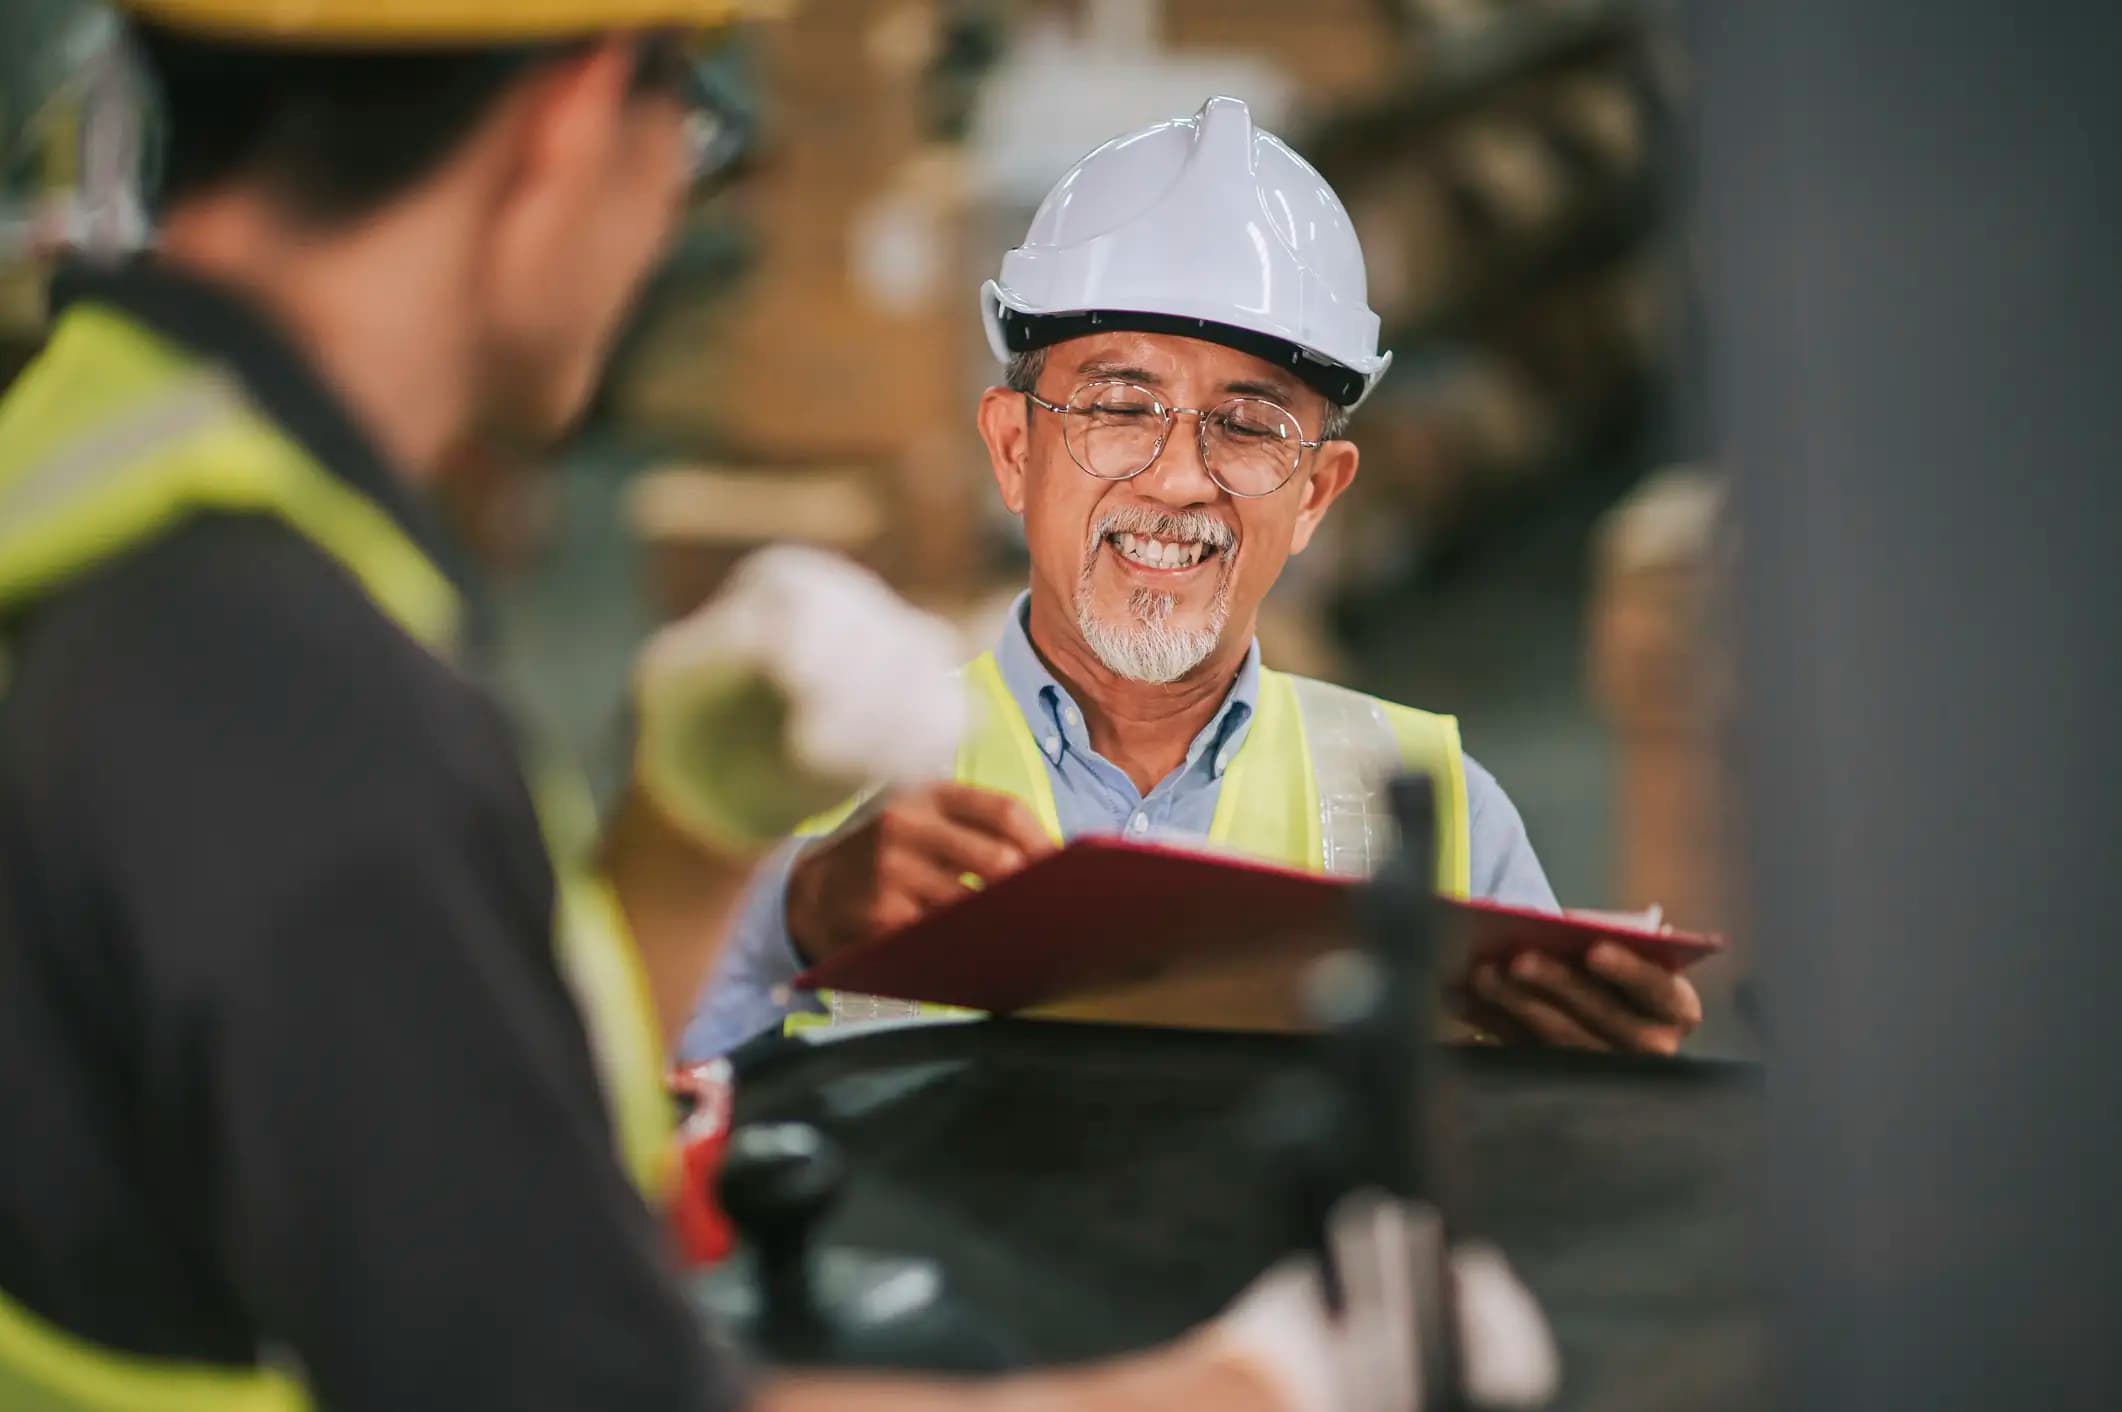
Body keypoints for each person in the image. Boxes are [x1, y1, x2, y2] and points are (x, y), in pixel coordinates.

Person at [0, 7, 1553, 1412]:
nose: (675, 202)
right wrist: (1249, 1389)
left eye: (1245, 422)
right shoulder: (287, 686)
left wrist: (688, 837)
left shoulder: (97, 480)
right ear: (569, 125)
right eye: (690, 128)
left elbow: (441, 1099)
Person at [685, 98, 1703, 1060]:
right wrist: (791, 918)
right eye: (1119, 405)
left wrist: (1589, 1084)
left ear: (1316, 494)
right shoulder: (828, 784)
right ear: (1010, 451)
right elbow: (630, 1107)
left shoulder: (1436, 812)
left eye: (1250, 425)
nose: (1178, 479)